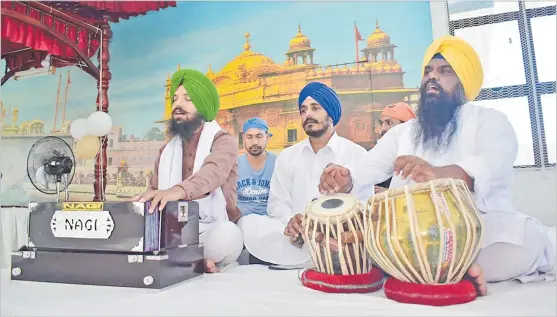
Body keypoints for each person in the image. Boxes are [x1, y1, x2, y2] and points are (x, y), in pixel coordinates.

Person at [318, 35, 556, 295]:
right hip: (412, 235)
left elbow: (490, 165)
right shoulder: (406, 132)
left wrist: (439, 175)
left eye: (445, 71)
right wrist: (346, 177)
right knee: (367, 238)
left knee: (526, 240)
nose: (433, 77)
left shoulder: (489, 121)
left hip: (474, 230)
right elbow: (367, 166)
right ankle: (451, 269)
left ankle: (440, 266)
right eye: (428, 71)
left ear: (464, 80)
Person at [238, 82, 373, 266]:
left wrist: (332, 228)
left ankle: (322, 257)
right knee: (249, 223)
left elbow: (364, 206)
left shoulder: (356, 155)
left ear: (331, 115)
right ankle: (303, 257)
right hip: (296, 242)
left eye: (315, 108)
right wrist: (291, 223)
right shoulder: (287, 157)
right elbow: (277, 205)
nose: (307, 114)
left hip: (338, 243)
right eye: (303, 110)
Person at [132, 68, 243, 273]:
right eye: (174, 99)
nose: (177, 105)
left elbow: (212, 173)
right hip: (174, 231)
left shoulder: (223, 140)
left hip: (212, 227)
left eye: (187, 99)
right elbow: (156, 192)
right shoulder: (167, 151)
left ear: (202, 105)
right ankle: (196, 261)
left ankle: (186, 259)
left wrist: (177, 191)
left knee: (228, 236)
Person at [237, 117, 277, 216]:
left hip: (271, 220)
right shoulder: (234, 165)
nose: (254, 142)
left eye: (259, 136)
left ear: (267, 137)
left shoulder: (278, 163)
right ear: (244, 139)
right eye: (249, 137)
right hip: (241, 222)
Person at [375, 102, 416, 193]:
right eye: (382, 123)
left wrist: (389, 193)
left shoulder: (417, 156)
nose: (383, 128)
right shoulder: (379, 154)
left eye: (389, 123)